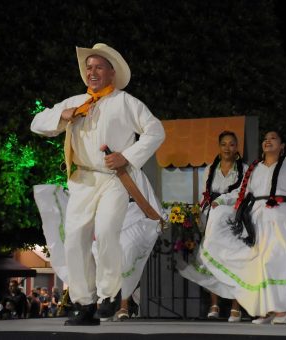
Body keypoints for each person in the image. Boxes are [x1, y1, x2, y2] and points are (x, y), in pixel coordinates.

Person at [31, 42, 165, 326]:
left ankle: (109, 294)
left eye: (98, 67)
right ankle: (84, 304)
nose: (92, 72)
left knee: (106, 231)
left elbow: (156, 131)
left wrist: (127, 156)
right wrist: (61, 116)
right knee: (76, 240)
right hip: (81, 179)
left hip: (114, 178)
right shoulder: (75, 102)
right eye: (88, 67)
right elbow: (37, 123)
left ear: (111, 73)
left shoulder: (127, 102)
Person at [200, 130, 286, 325]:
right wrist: (221, 200)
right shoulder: (255, 168)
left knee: (281, 261)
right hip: (258, 220)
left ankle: (283, 311)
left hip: (283, 218)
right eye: (265, 139)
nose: (268, 141)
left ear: (282, 146)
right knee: (262, 264)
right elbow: (242, 192)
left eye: (273, 139)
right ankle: (268, 309)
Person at [33, 168, 165, 321]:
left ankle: (123, 305)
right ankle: (97, 305)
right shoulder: (94, 169)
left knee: (124, 258)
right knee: (95, 260)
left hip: (131, 216)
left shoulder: (133, 170)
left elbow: (145, 195)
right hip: (105, 216)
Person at [177, 131, 248, 322]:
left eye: (231, 144)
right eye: (223, 144)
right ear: (219, 147)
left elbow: (243, 193)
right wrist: (199, 217)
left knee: (234, 260)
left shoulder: (245, 169)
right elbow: (204, 194)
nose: (227, 148)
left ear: (237, 147)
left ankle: (236, 306)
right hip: (211, 215)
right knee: (209, 256)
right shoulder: (210, 168)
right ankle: (214, 304)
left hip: (233, 216)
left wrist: (223, 202)